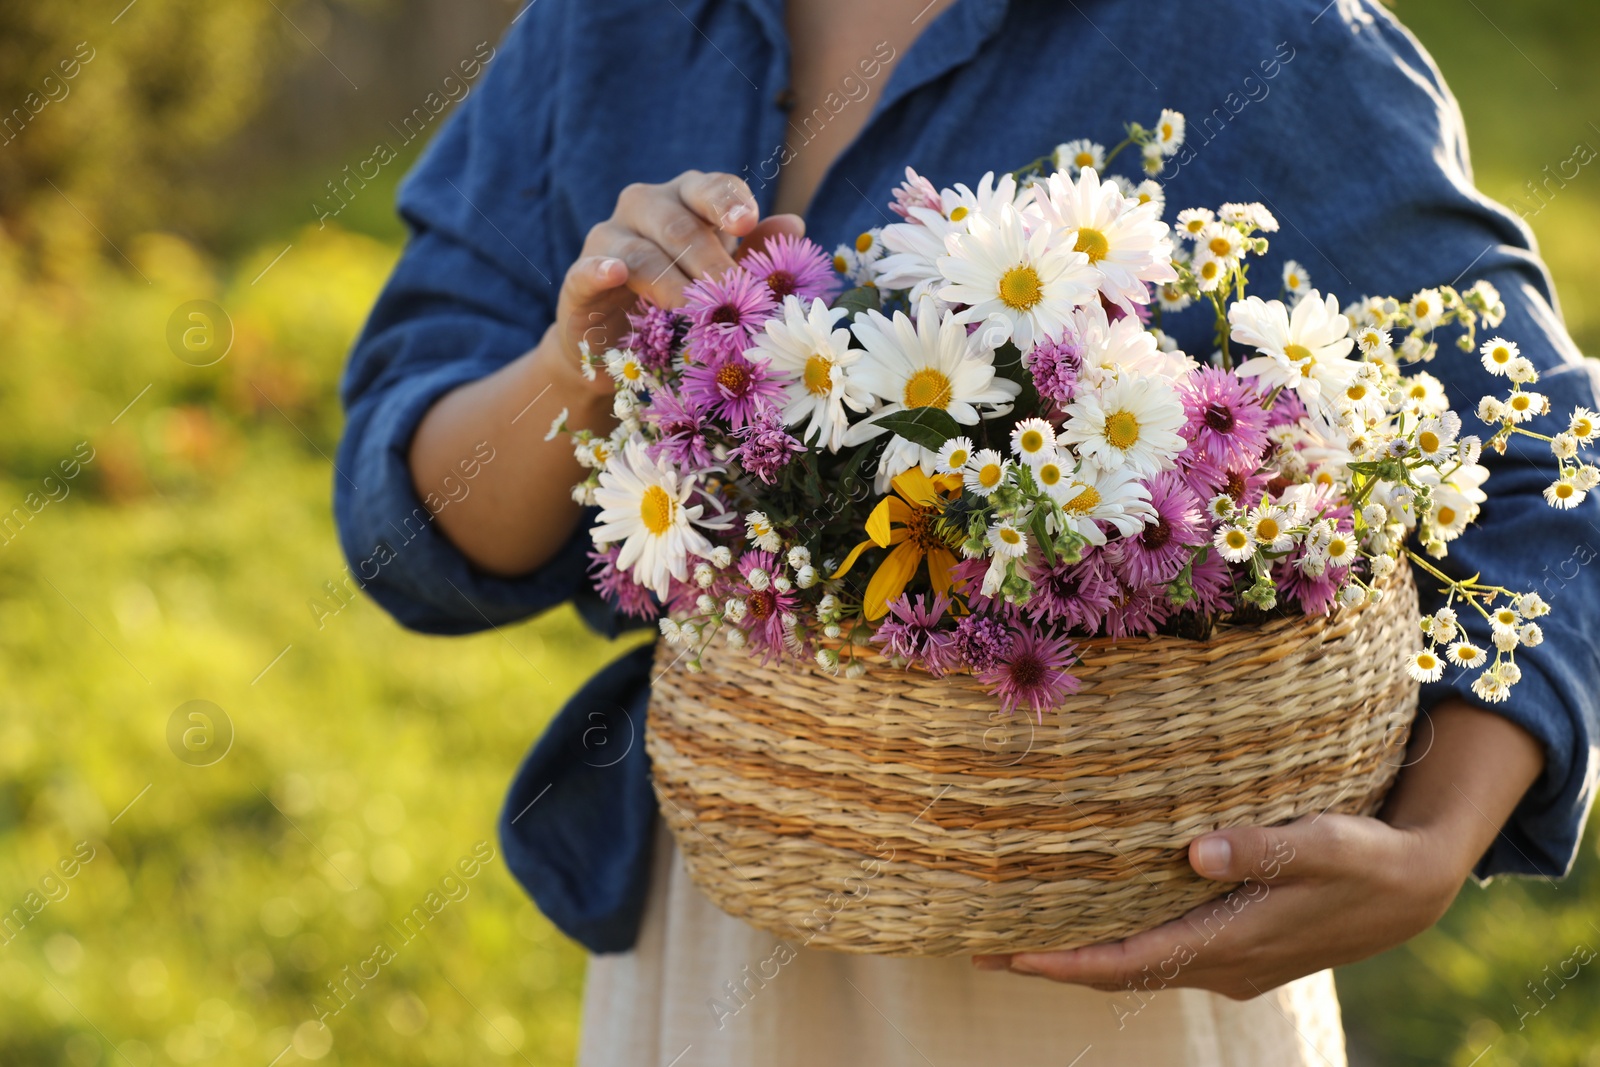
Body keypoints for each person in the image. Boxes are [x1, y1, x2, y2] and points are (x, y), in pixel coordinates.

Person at [335, 0, 1600, 1062]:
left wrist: (1436, 840)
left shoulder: (1249, 33)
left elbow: (1553, 454)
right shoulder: (609, 26)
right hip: (738, 928)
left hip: (1130, 963)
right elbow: (408, 522)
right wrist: (576, 369)